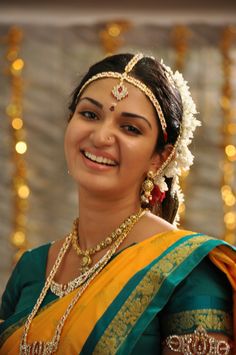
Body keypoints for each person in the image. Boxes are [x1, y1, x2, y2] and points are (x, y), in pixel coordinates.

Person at [0, 53, 235, 355]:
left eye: (130, 128)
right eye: (90, 115)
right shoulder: (32, 267)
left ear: (160, 157)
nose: (100, 136)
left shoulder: (187, 271)